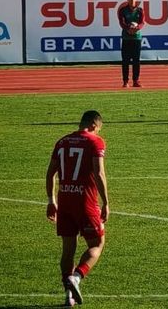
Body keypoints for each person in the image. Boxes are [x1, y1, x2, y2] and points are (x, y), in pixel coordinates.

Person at [45, 110, 110, 307]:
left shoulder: (62, 142)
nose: (98, 132)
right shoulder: (95, 142)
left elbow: (50, 174)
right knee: (97, 243)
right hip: (86, 201)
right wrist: (106, 202)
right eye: (98, 129)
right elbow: (99, 173)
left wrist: (51, 200)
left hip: (65, 201)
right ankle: (77, 276)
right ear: (93, 125)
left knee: (68, 249)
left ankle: (68, 295)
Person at [117, 0, 145, 88]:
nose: (132, 0)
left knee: (136, 60)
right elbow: (121, 22)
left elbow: (142, 23)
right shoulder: (123, 10)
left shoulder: (140, 10)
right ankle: (125, 81)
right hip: (126, 38)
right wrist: (128, 29)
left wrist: (136, 28)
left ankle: (136, 80)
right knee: (125, 60)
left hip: (137, 38)